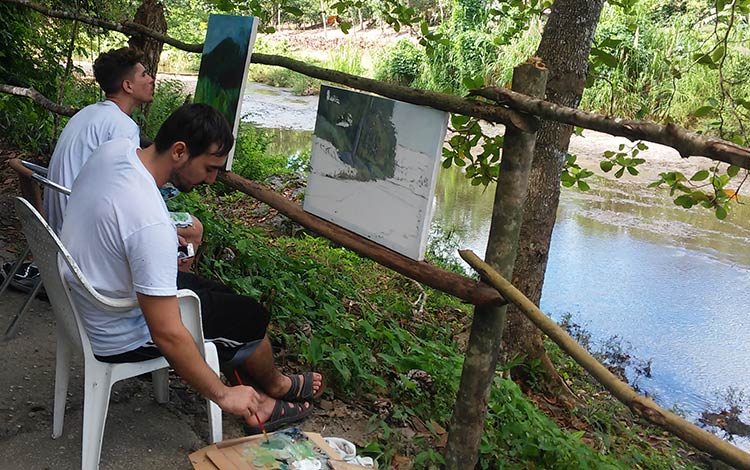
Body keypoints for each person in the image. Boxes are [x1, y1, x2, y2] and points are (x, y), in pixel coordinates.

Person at [61, 103, 323, 431]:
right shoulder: (148, 221)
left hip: (87, 298)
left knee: (222, 297)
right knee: (250, 317)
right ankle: (272, 392)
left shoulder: (115, 151)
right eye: (209, 168)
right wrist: (222, 394)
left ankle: (265, 386)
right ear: (180, 151)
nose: (211, 180)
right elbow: (167, 334)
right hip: (118, 333)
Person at [43, 47, 202, 270]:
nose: (151, 79)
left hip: (61, 217)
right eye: (144, 75)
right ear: (128, 86)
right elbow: (126, 193)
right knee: (194, 228)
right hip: (82, 226)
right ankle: (168, 293)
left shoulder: (88, 113)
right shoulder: (122, 126)